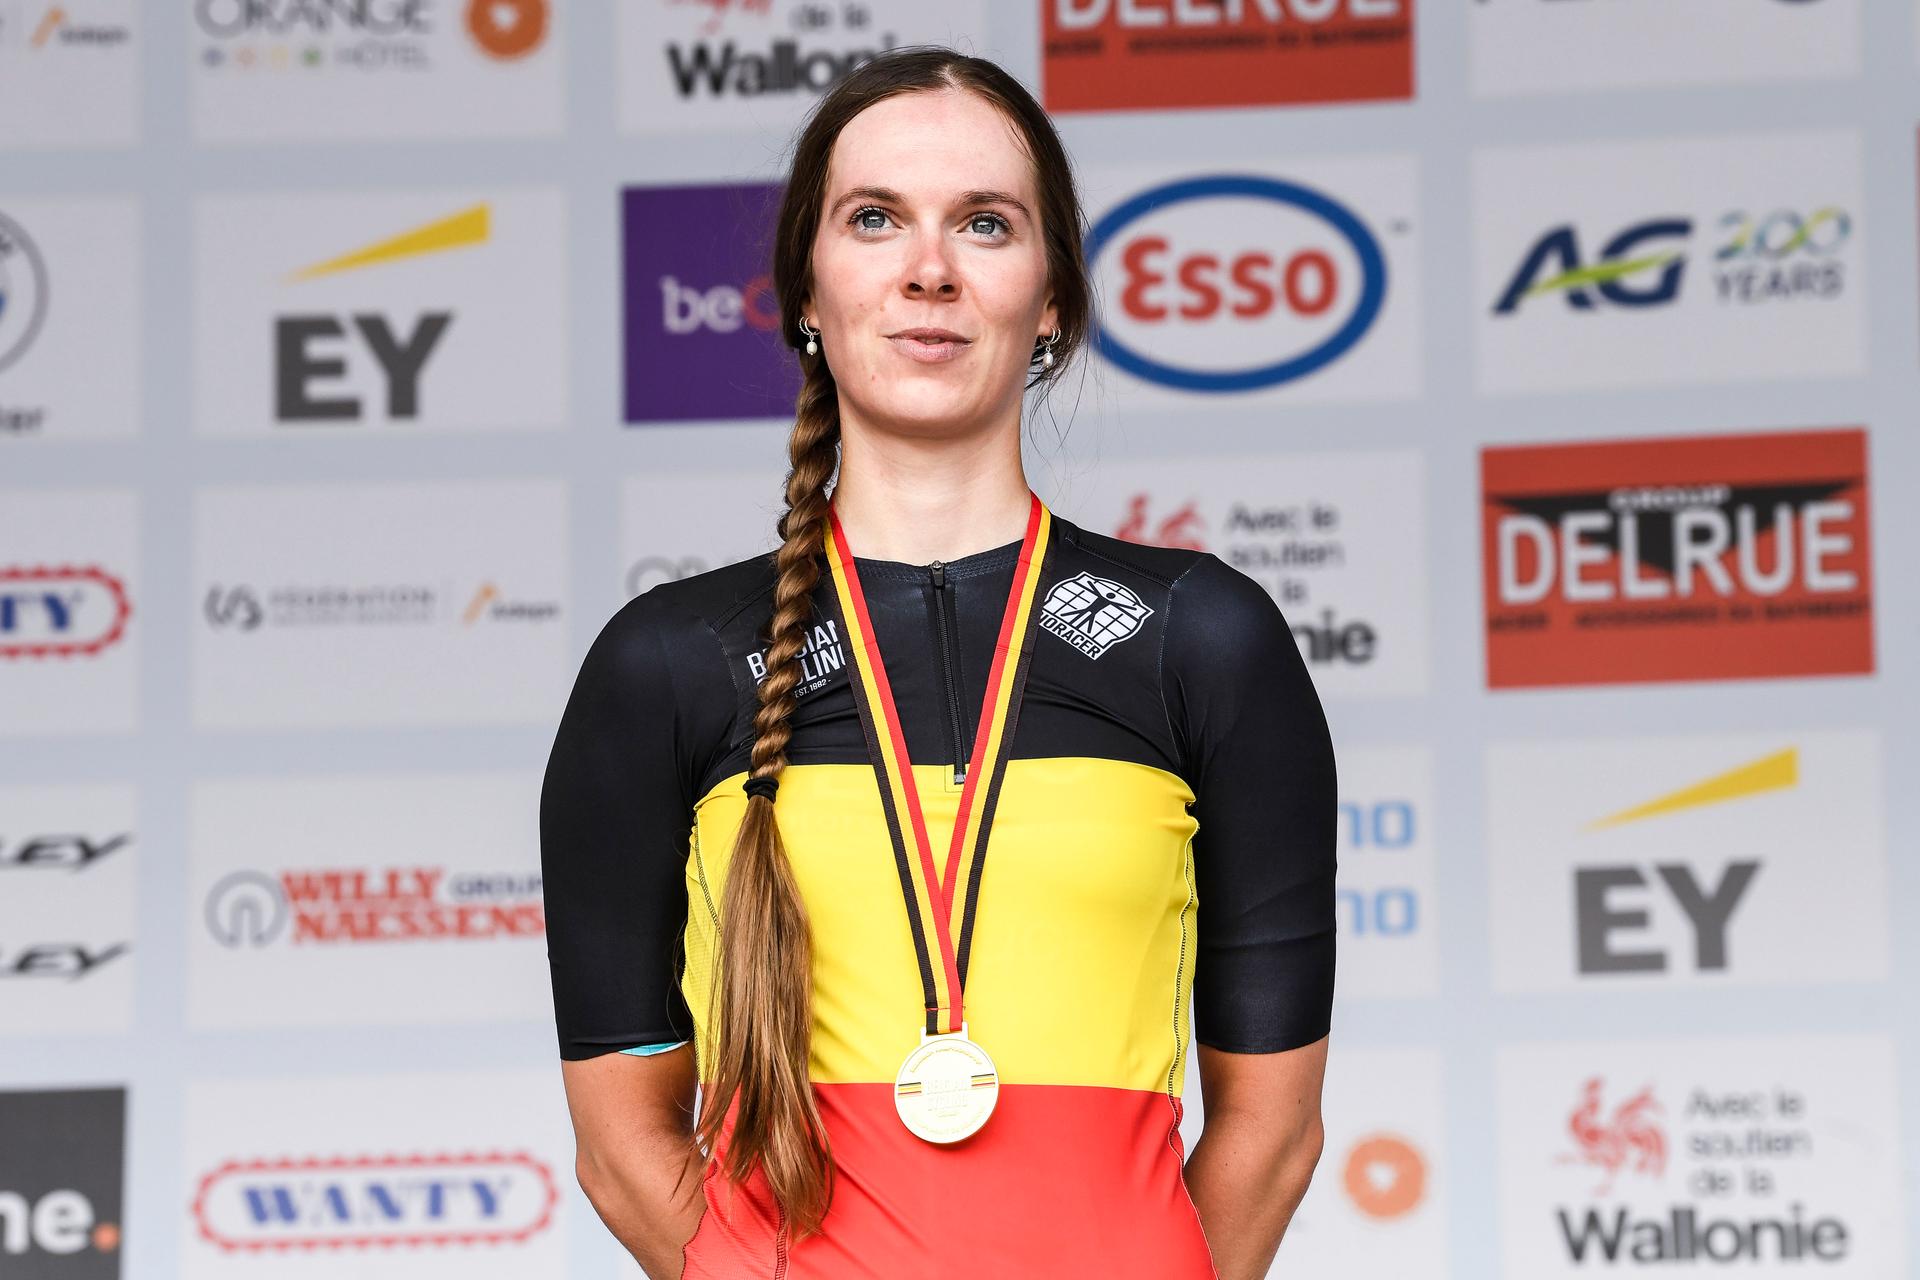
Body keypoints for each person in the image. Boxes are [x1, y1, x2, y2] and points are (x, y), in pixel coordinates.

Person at [540, 45, 1336, 1280]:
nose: (929, 269)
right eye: (875, 219)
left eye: (984, 223)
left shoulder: (1205, 636)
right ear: (806, 287)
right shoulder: (669, 663)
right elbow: (618, 1143)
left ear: (1053, 297)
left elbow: (1271, 1135)